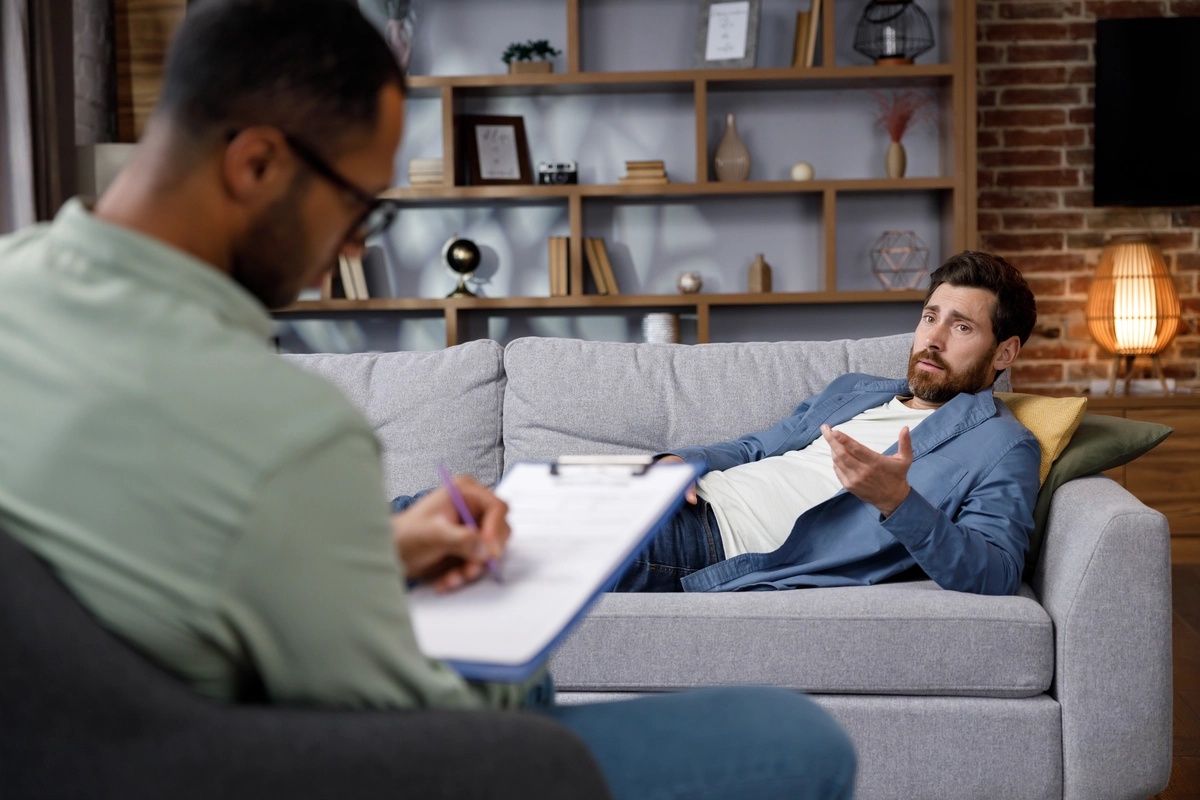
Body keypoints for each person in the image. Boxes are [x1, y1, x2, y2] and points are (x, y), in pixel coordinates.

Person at [0, 1, 855, 798]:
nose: (352, 243)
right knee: (798, 737)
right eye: (359, 208)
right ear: (256, 162)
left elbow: (163, 531)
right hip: (291, 763)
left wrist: (370, 549)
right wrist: (511, 606)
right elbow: (435, 723)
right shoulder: (285, 433)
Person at [613, 251, 1040, 597]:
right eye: (930, 317)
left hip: (712, 541)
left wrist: (899, 502)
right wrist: (681, 459)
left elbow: (997, 571)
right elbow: (754, 448)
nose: (933, 338)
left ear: (1005, 353)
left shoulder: (1002, 444)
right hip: (679, 498)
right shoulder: (857, 390)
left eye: (961, 326)